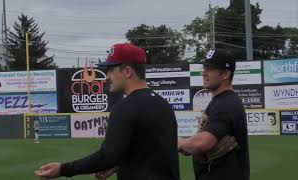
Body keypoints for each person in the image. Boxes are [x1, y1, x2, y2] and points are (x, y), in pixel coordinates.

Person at [35, 43, 181, 180]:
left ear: (127, 71)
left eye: (111, 70)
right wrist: (118, 166)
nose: (107, 76)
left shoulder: (124, 108)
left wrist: (62, 169)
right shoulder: (164, 105)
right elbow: (151, 155)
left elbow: (107, 157)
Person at [178, 49, 250, 180]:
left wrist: (175, 142)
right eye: (204, 67)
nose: (203, 73)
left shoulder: (226, 104)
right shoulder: (220, 100)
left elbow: (203, 143)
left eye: (210, 69)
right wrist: (188, 146)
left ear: (225, 74)